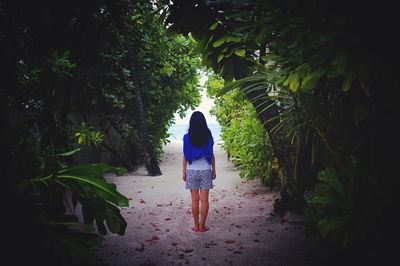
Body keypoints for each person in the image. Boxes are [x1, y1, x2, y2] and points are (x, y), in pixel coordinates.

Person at [182, 111, 216, 232]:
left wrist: (183, 172)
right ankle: (202, 226)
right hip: (206, 170)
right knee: (205, 200)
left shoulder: (187, 137)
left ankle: (196, 225)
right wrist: (214, 170)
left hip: (192, 171)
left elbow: (185, 156)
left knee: (194, 200)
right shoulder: (208, 136)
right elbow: (211, 155)